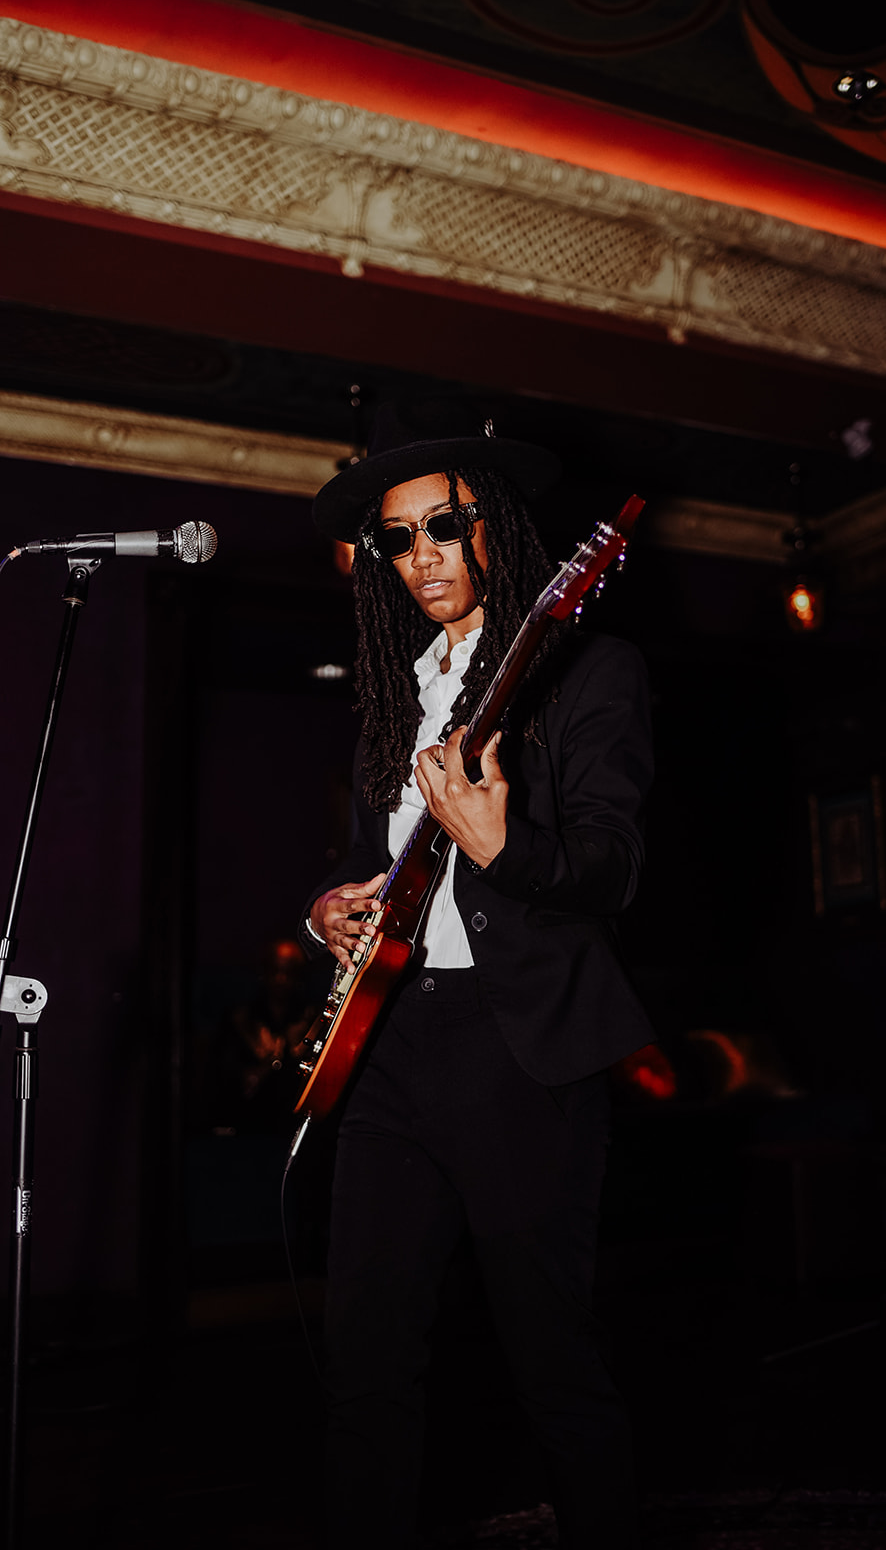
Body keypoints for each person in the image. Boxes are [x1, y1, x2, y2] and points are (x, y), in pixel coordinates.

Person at [301, 398, 655, 1549]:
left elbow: (612, 866)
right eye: (396, 539)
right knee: (365, 1353)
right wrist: (333, 907)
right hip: (394, 1043)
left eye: (444, 527)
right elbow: (383, 866)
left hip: (522, 1050)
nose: (421, 557)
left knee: (553, 1356)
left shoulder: (586, 669)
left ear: (496, 525)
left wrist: (508, 846)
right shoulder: (391, 694)